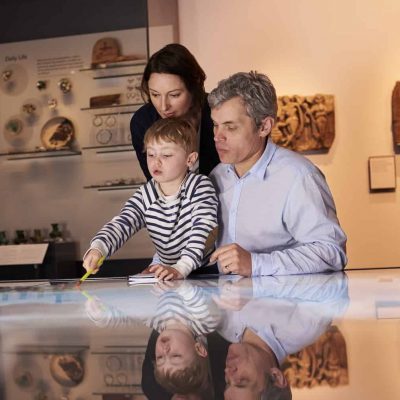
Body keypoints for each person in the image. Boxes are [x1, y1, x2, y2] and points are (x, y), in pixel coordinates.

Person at [208, 71, 347, 277]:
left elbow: (331, 252)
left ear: (264, 126)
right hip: (224, 304)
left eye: (230, 127)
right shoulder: (215, 177)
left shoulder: (299, 176)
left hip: (283, 305)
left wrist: (256, 263)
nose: (218, 137)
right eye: (215, 125)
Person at [83, 118, 218, 280]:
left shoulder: (199, 186)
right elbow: (123, 223)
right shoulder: (145, 194)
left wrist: (182, 267)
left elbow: (204, 228)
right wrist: (98, 248)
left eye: (166, 155)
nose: (156, 161)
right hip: (168, 271)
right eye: (151, 154)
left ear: (190, 159)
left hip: (205, 270)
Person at [130, 43, 219, 180]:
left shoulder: (217, 112)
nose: (163, 106)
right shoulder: (143, 122)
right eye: (155, 94)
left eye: (174, 95)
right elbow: (156, 181)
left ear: (194, 86)